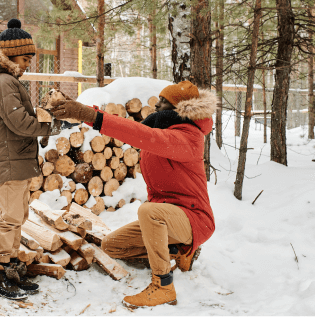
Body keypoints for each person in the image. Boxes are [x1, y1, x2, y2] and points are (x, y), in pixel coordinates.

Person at [52, 80, 217, 308]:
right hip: (166, 217)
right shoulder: (162, 130)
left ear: (180, 109)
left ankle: (163, 285)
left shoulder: (187, 138)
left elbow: (143, 136)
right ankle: (178, 250)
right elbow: (132, 128)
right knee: (112, 246)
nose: (157, 106)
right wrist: (87, 113)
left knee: (148, 211)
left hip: (193, 219)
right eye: (158, 99)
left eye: (164, 102)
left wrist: (92, 117)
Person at [0, 18, 60, 300]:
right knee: (10, 218)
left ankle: (11, 267)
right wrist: (49, 126)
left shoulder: (8, 81)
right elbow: (20, 123)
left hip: (18, 160)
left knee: (18, 216)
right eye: (25, 58)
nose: (28, 64)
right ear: (10, 56)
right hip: (10, 161)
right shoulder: (2, 82)